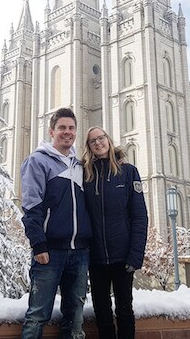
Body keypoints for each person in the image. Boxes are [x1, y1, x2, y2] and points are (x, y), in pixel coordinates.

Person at [20, 108, 92, 339]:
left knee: (75, 319)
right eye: (62, 127)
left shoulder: (80, 164)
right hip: (49, 252)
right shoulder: (38, 161)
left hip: (79, 252)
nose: (67, 132)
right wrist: (38, 245)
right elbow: (31, 206)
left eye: (71, 128)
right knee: (38, 315)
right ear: (52, 131)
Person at [82, 126, 148, 339]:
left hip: (123, 256)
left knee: (125, 310)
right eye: (93, 141)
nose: (98, 143)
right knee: (101, 313)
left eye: (101, 138)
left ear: (108, 140)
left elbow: (139, 216)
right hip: (96, 258)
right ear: (89, 146)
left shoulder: (128, 171)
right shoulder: (84, 173)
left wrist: (136, 254)